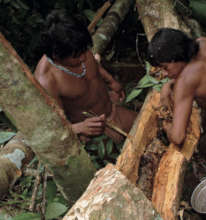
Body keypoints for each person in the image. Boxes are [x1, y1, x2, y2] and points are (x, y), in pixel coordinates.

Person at [34, 10, 137, 144]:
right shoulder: (47, 80)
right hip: (96, 133)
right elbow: (53, 127)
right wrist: (78, 128)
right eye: (76, 56)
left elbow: (95, 66)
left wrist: (111, 81)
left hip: (113, 110)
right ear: (57, 56)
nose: (83, 57)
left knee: (153, 125)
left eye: (84, 51)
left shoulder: (76, 45)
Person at [147, 28, 206, 146]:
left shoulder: (185, 82)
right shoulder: (205, 43)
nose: (165, 74)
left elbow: (178, 137)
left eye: (165, 67)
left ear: (175, 57)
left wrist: (166, 126)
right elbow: (203, 73)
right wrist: (170, 84)